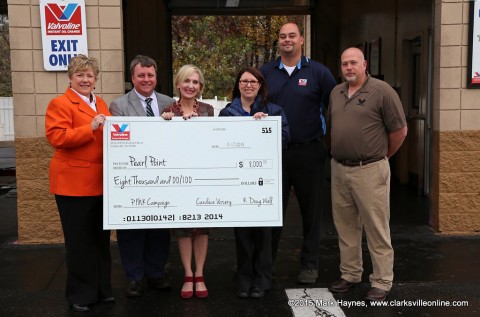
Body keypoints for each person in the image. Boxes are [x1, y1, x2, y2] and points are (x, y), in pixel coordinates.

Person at [327, 47, 408, 301]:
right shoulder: (336, 92)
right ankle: (350, 273)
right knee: (346, 226)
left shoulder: (382, 91)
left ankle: (382, 280)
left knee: (376, 227)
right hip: (339, 169)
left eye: (353, 63)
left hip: (370, 169)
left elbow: (400, 131)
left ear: (364, 65)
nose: (348, 68)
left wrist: (381, 157)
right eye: (344, 64)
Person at [260, 22, 336, 284]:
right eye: (282, 37)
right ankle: (265, 266)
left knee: (311, 212)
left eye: (292, 35)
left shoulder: (318, 72)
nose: (287, 40)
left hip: (309, 152)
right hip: (273, 153)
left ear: (302, 39)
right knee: (271, 212)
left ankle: (310, 264)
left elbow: (334, 107)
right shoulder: (266, 71)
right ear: (278, 42)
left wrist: (326, 139)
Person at [45, 54, 113, 312]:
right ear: (71, 78)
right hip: (73, 183)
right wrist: (91, 128)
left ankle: (102, 289)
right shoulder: (60, 103)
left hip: (101, 182)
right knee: (79, 242)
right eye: (80, 75)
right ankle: (80, 295)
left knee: (100, 240)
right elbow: (57, 137)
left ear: (95, 80)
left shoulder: (102, 103)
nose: (85, 79)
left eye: (90, 75)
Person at [219, 66, 290, 298]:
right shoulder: (228, 113)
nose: (248, 85)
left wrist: (266, 126)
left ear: (260, 86)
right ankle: (244, 277)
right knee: (242, 233)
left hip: (264, 180)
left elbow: (285, 139)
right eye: (244, 81)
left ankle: (262, 278)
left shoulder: (274, 111)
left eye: (253, 81)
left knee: (264, 232)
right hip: (238, 180)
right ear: (238, 84)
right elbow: (220, 143)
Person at [109, 55, 174, 298]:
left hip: (163, 177)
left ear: (156, 77)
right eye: (141, 75)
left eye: (150, 75)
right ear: (132, 78)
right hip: (133, 177)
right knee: (132, 229)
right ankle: (134, 277)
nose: (146, 80)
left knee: (159, 228)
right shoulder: (118, 106)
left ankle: (156, 273)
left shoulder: (170, 103)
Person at [161, 64, 214, 299]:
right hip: (178, 178)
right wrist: (166, 123)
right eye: (186, 81)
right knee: (183, 227)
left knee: (202, 228)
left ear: (200, 86)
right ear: (178, 84)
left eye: (195, 82)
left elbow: (214, 140)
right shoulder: (167, 110)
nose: (190, 86)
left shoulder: (208, 110)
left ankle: (200, 274)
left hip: (203, 176)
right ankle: (188, 274)